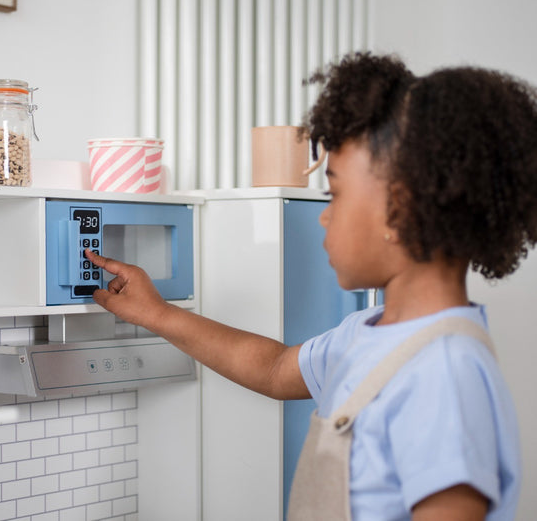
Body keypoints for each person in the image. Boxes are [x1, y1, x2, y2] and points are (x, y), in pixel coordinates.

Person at [85, 52, 537, 520]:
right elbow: (275, 368)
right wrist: (157, 314)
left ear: (400, 209)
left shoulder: (447, 373)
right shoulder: (367, 332)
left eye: (335, 193)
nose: (324, 213)